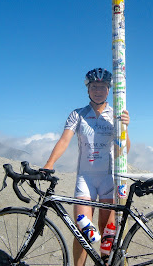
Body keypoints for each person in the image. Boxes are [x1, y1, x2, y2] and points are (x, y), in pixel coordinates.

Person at [43, 68, 130, 266]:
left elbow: (124, 151)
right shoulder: (78, 114)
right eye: (94, 87)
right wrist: (49, 163)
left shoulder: (116, 115)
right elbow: (64, 140)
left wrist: (124, 128)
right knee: (83, 232)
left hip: (108, 179)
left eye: (102, 87)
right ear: (88, 89)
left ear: (109, 90)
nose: (98, 90)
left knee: (108, 236)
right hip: (85, 179)